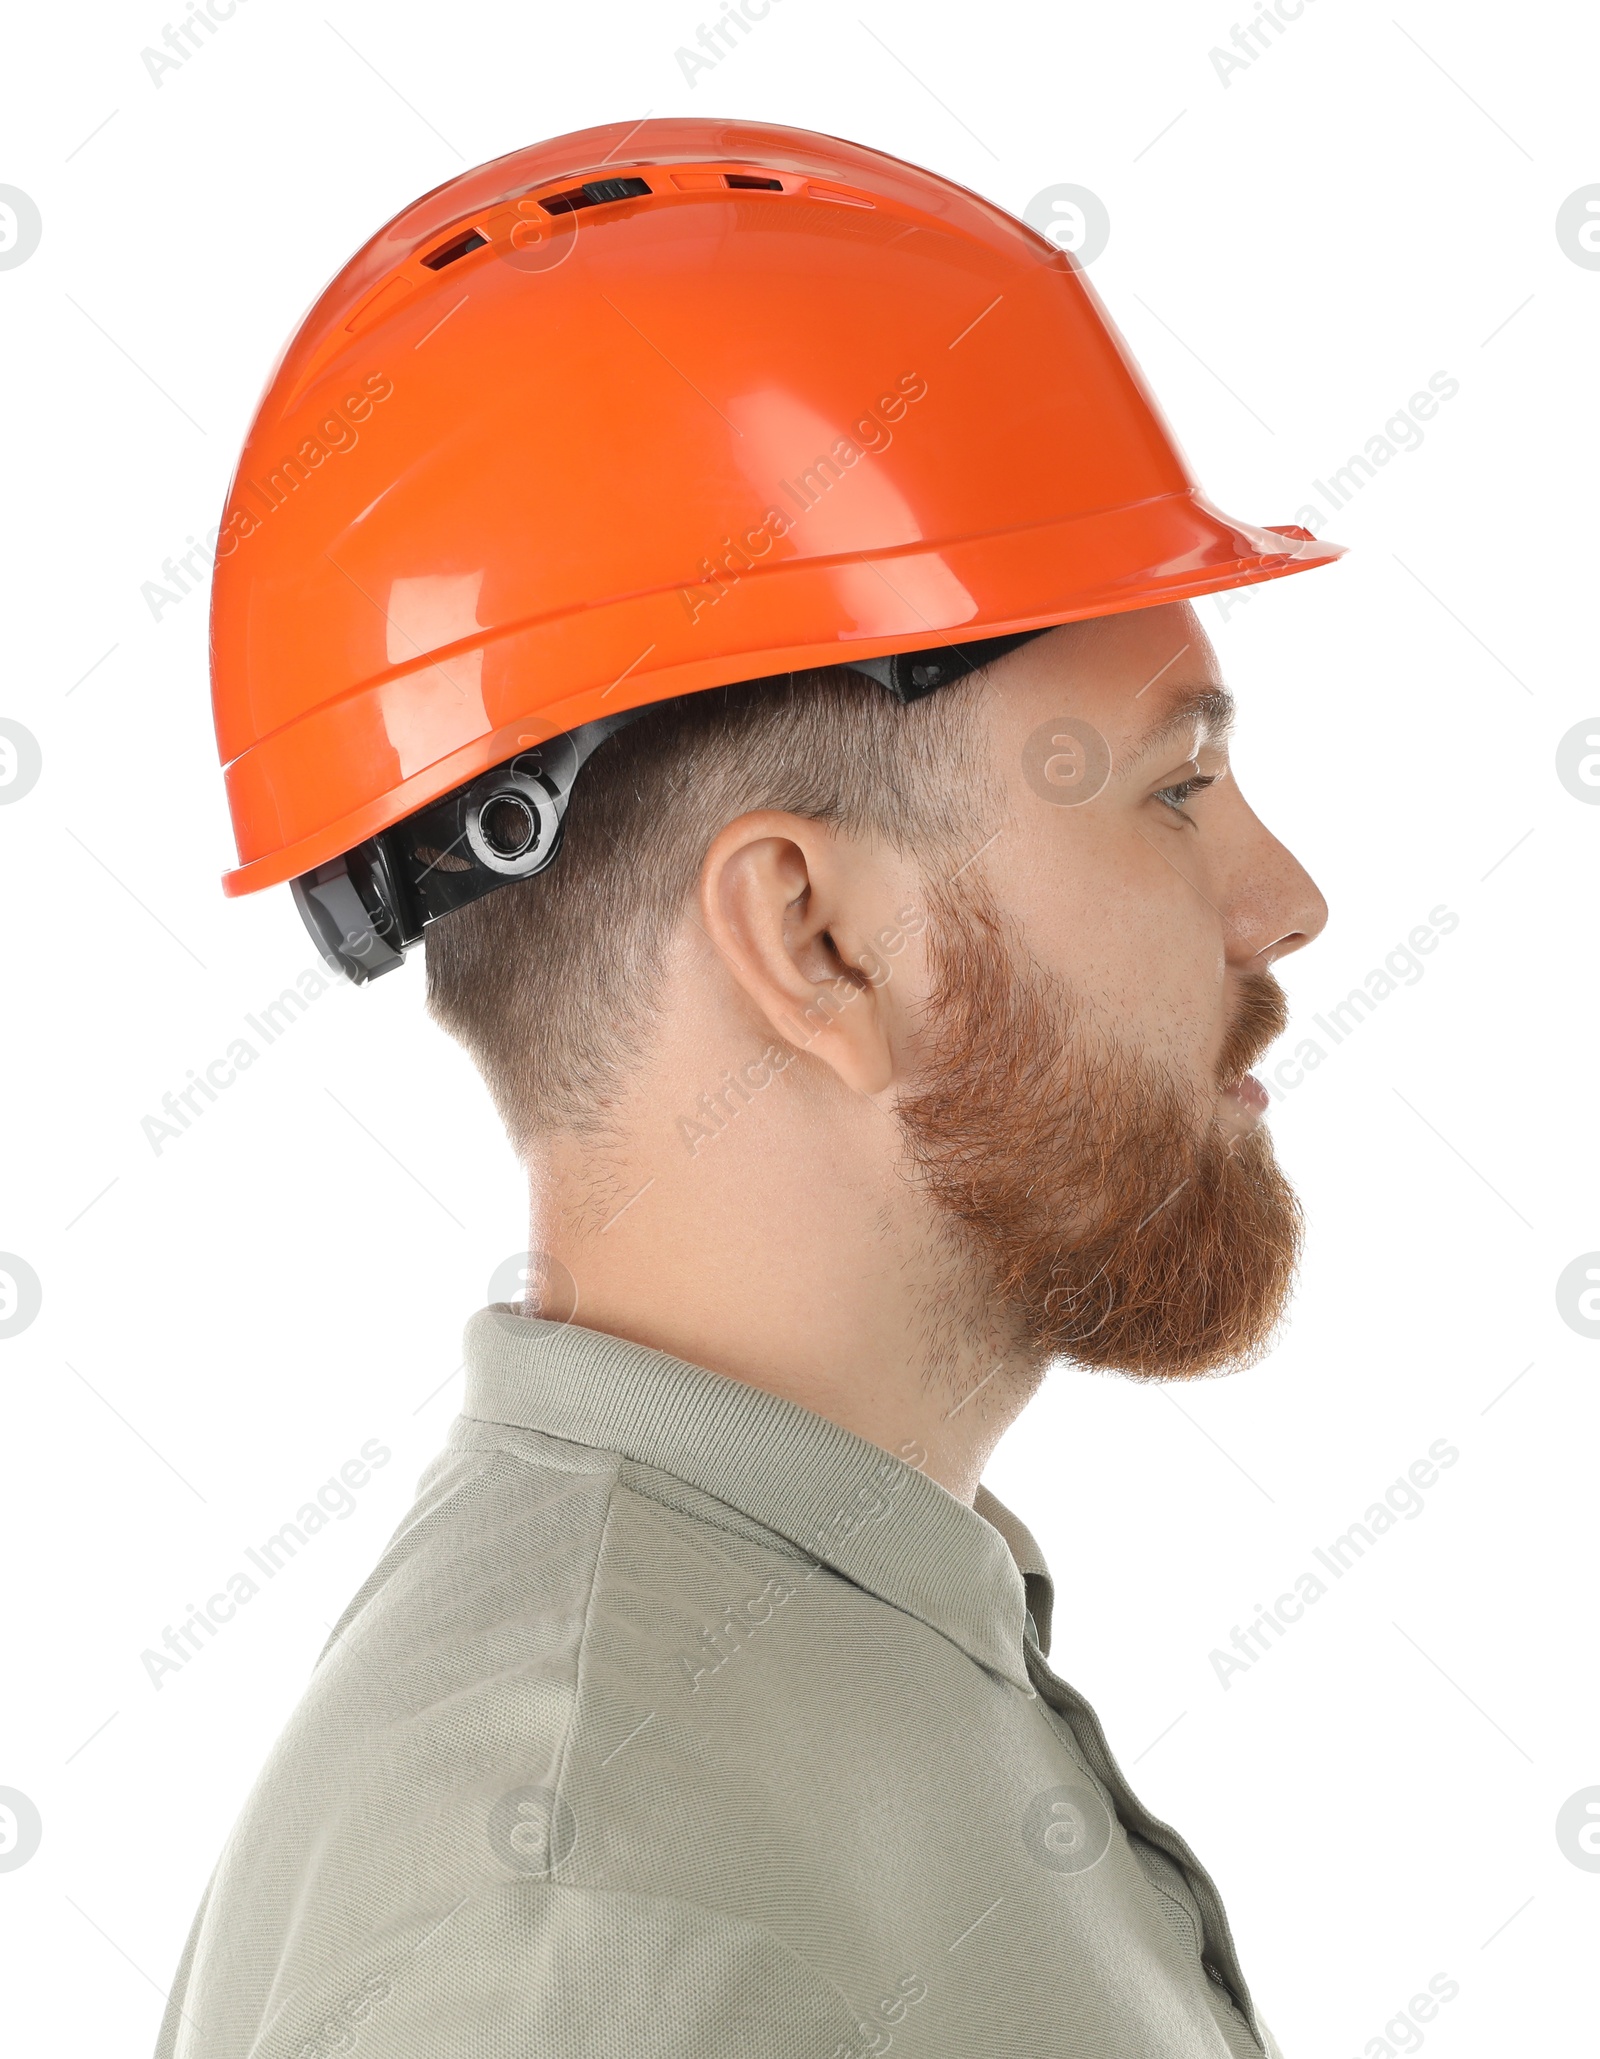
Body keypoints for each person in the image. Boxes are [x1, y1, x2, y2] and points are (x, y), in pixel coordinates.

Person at [158, 117, 1339, 2059]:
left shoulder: (826, 1650)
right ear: (814, 941)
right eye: (1171, 786)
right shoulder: (564, 1921)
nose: (1281, 900)